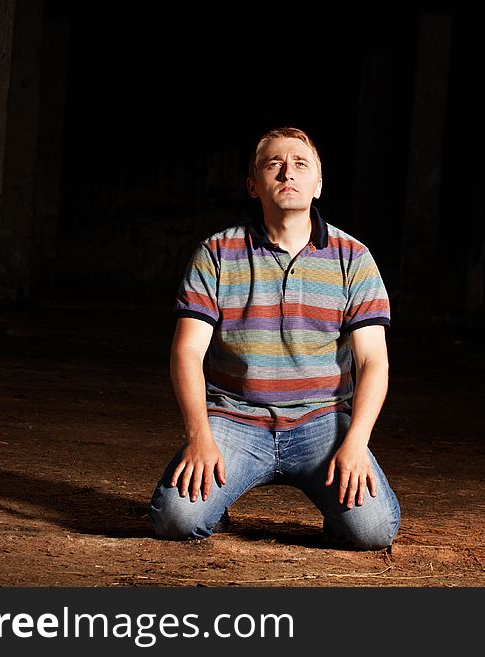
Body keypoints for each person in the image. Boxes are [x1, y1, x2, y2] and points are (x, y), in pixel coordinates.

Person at [149, 127, 400, 549]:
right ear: (254, 185)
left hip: (320, 422)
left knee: (372, 532)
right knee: (176, 520)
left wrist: (356, 442)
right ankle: (217, 503)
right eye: (274, 164)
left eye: (301, 165)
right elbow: (187, 351)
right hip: (236, 419)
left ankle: (338, 514)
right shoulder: (216, 253)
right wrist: (199, 436)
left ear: (318, 185)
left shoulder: (353, 257)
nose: (288, 173)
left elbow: (373, 360)